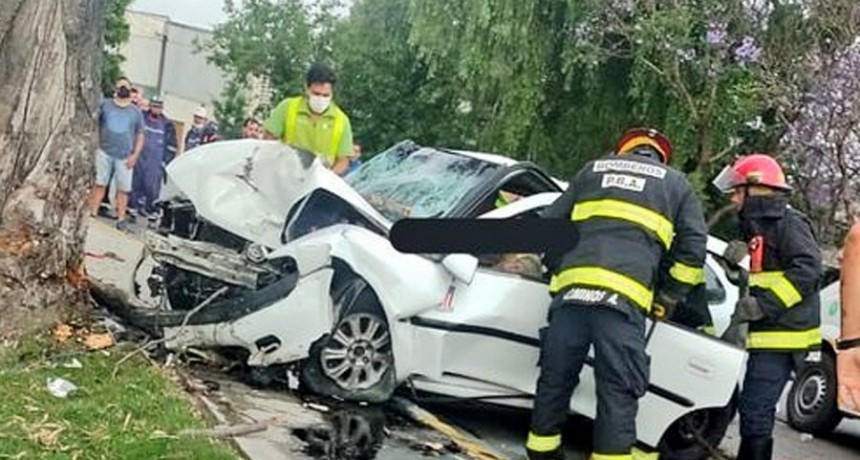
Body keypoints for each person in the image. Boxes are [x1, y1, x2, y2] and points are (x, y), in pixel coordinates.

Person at [525, 127, 708, 460]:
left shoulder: (592, 170)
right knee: (618, 392)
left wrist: (558, 271)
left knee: (555, 380)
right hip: (623, 306)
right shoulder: (675, 184)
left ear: (624, 150)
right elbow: (694, 249)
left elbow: (550, 224)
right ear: (660, 157)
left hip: (571, 298)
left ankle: (541, 452)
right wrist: (668, 296)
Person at [711, 154, 822, 460]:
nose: (733, 199)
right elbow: (764, 277)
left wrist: (764, 306)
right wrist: (736, 270)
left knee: (755, 412)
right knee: (752, 409)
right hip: (768, 333)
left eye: (737, 191)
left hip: (784, 336)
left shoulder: (788, 223)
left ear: (755, 190)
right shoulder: (757, 227)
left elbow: (809, 271)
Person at [262, 62, 354, 175]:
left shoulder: (342, 121)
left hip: (320, 182)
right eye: (316, 93)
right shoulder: (287, 107)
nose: (321, 99)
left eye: (326, 95)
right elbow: (267, 141)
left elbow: (343, 160)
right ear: (307, 88)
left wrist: (329, 177)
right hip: (286, 176)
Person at [88, 76, 145, 232]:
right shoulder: (105, 105)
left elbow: (140, 134)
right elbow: (95, 123)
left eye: (126, 87)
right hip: (104, 151)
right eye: (120, 86)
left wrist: (135, 154)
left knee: (123, 188)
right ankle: (92, 212)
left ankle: (121, 218)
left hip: (125, 156)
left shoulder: (135, 112)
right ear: (115, 89)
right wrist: (95, 143)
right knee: (100, 183)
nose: (123, 89)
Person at [131, 96, 176, 220]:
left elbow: (172, 146)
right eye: (154, 105)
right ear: (150, 106)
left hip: (156, 161)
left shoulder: (167, 124)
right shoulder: (141, 117)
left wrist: (165, 162)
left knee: (152, 187)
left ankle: (152, 211)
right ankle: (132, 208)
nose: (156, 109)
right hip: (139, 157)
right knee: (135, 183)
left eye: (159, 106)